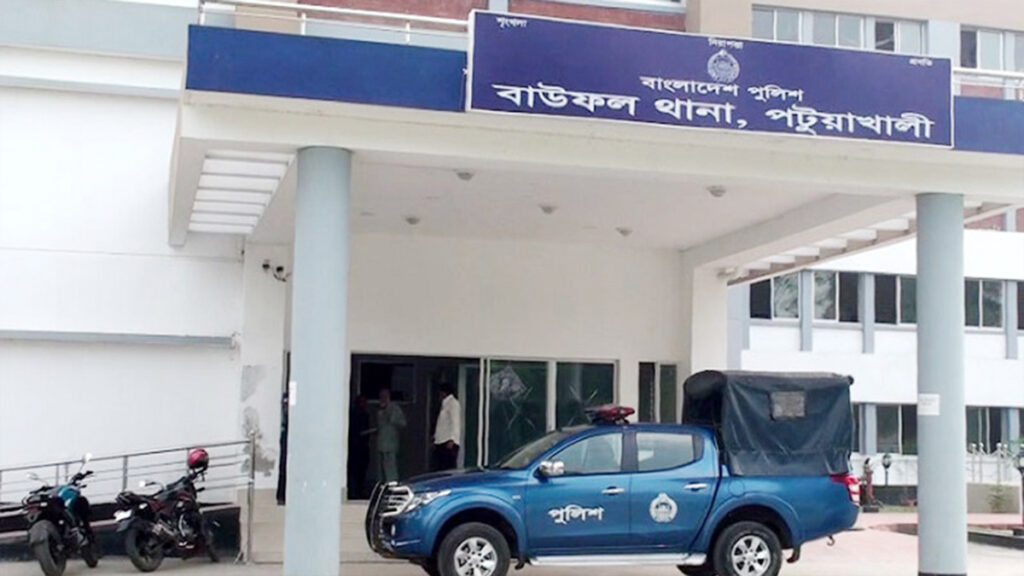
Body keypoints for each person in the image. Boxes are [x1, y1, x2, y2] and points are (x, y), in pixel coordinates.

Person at [375, 388, 406, 483]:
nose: (383, 398)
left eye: (385, 396)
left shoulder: (395, 408)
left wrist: (392, 418)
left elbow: (403, 423)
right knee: (381, 469)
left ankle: (392, 484)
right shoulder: (379, 409)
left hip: (391, 443)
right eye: (381, 396)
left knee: (391, 467)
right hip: (381, 443)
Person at [432, 382, 461, 471]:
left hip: (448, 442)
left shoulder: (453, 404)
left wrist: (452, 439)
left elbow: (455, 422)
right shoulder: (444, 404)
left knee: (448, 467)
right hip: (441, 441)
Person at [347, 394, 371, 498]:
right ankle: (356, 492)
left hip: (360, 446)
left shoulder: (360, 414)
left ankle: (357, 491)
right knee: (357, 471)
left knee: (359, 471)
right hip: (357, 446)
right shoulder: (359, 415)